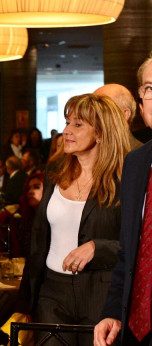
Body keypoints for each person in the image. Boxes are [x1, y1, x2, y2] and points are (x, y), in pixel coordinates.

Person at [16, 94, 129, 346]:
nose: (66, 131)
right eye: (67, 123)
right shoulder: (54, 172)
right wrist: (27, 299)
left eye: (78, 125)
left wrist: (97, 248)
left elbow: (140, 243)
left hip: (102, 294)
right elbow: (38, 239)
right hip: (51, 292)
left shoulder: (125, 180)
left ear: (100, 133)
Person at [95, 57, 152, 346]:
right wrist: (113, 312)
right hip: (134, 329)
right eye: (150, 88)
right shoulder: (136, 162)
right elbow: (130, 253)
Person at [94, 83, 143, 151]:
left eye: (102, 109)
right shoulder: (86, 153)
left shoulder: (143, 156)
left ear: (125, 114)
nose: (93, 116)